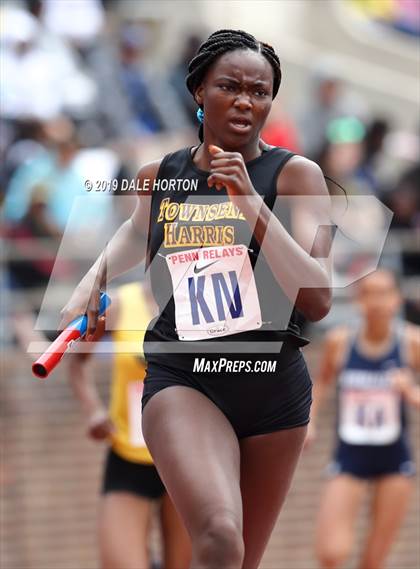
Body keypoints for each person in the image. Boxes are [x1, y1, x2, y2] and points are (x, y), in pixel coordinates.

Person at [60, 29, 332, 568]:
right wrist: (89, 282)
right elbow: (134, 233)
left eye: (260, 91)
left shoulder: (298, 176)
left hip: (273, 386)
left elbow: (318, 296)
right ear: (198, 92)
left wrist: (253, 204)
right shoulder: (162, 175)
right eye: (229, 86)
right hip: (185, 374)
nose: (245, 100)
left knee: (238, 560)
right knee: (218, 534)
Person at [67, 282, 191, 569]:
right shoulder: (121, 304)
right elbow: (78, 362)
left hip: (187, 458)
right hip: (128, 456)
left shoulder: (205, 304)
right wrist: (94, 411)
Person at [306, 269, 420, 569]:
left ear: (396, 299)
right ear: (358, 301)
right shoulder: (340, 342)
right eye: (369, 293)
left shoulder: (411, 342)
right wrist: (310, 421)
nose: (377, 301)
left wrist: (411, 392)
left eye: (384, 293)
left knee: (373, 561)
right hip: (350, 455)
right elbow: (321, 383)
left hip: (394, 458)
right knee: (331, 552)